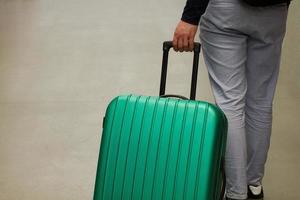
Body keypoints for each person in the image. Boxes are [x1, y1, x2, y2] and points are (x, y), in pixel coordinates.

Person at [172, 0, 290, 199]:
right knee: (260, 102)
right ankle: (254, 186)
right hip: (273, 11)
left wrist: (189, 17)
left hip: (224, 11)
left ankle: (236, 193)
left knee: (230, 102)